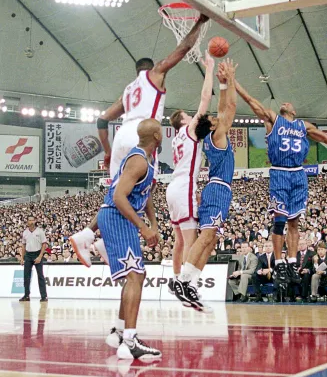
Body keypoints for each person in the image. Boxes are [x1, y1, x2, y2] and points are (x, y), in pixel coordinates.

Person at [69, 14, 210, 267]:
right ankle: (94, 237)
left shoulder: (128, 90)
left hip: (122, 133)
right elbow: (183, 48)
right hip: (142, 132)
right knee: (146, 188)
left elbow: (102, 121)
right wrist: (199, 23)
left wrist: (109, 152)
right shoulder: (155, 74)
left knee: (116, 192)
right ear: (152, 68)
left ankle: (92, 237)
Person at [234, 84, 327, 274]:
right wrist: (233, 82)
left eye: (288, 103)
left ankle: (292, 261)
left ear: (294, 111)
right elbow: (252, 102)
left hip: (298, 174)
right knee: (279, 221)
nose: (284, 103)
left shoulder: (303, 126)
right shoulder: (273, 120)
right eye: (283, 103)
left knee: (294, 222)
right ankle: (279, 263)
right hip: (279, 172)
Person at [172, 59, 238, 312]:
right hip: (216, 188)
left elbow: (224, 110)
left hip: (219, 189)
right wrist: (226, 83)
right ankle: (183, 280)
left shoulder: (212, 135)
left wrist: (224, 85)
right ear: (211, 125)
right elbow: (228, 107)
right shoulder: (217, 135)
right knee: (206, 236)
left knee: (210, 240)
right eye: (213, 118)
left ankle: (191, 281)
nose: (217, 119)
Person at [100, 119, 163, 360]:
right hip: (117, 217)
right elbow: (118, 196)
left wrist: (153, 225)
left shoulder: (147, 160)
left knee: (137, 275)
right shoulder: (138, 160)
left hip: (120, 217)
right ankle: (130, 340)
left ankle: (118, 332)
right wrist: (142, 228)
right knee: (135, 275)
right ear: (157, 135)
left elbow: (144, 196)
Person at [165, 51, 215, 293]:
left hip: (173, 187)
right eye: (188, 115)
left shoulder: (176, 139)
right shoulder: (190, 130)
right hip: (184, 185)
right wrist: (209, 69)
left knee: (179, 240)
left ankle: (176, 279)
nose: (191, 116)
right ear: (184, 121)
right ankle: (186, 283)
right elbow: (205, 97)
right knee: (191, 240)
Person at [19, 216, 48, 302]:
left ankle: (44, 296)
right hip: (28, 254)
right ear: (27, 222)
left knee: (40, 276)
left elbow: (44, 244)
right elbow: (23, 245)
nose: (31, 222)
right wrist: (22, 257)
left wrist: (40, 256)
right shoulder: (25, 232)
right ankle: (26, 295)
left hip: (37, 253)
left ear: (35, 221)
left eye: (32, 220)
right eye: (29, 220)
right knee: (26, 276)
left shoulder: (40, 231)